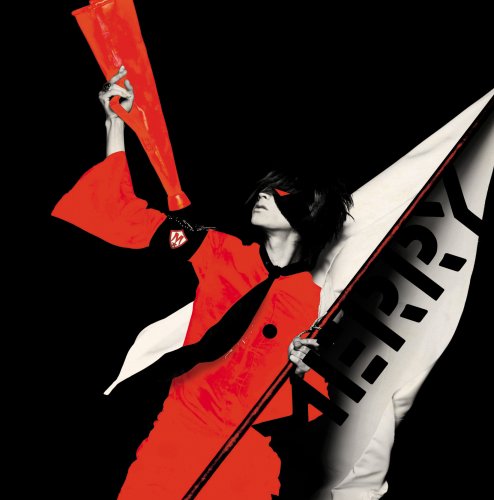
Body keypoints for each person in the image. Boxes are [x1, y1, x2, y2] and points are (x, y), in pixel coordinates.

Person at [52, 65, 353, 499]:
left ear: (310, 211)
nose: (262, 193)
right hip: (177, 433)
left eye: (281, 191)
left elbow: (313, 415)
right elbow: (126, 215)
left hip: (247, 459)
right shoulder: (220, 251)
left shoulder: (318, 304)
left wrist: (302, 371)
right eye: (265, 187)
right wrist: (115, 123)